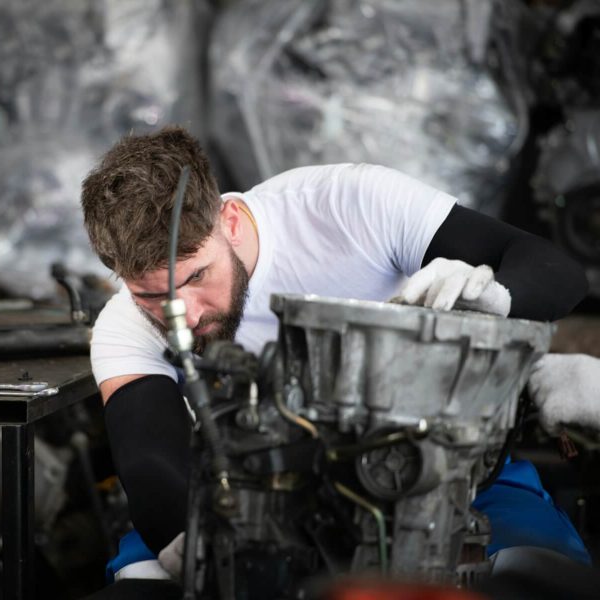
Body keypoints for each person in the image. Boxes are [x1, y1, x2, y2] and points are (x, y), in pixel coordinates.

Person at [80, 126, 594, 585]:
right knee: (146, 580)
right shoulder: (124, 327)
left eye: (196, 277)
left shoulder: (348, 206)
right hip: (246, 497)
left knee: (546, 577)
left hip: (451, 481)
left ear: (230, 221)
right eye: (151, 296)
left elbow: (557, 272)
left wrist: (496, 298)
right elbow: (149, 464)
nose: (185, 316)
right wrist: (205, 548)